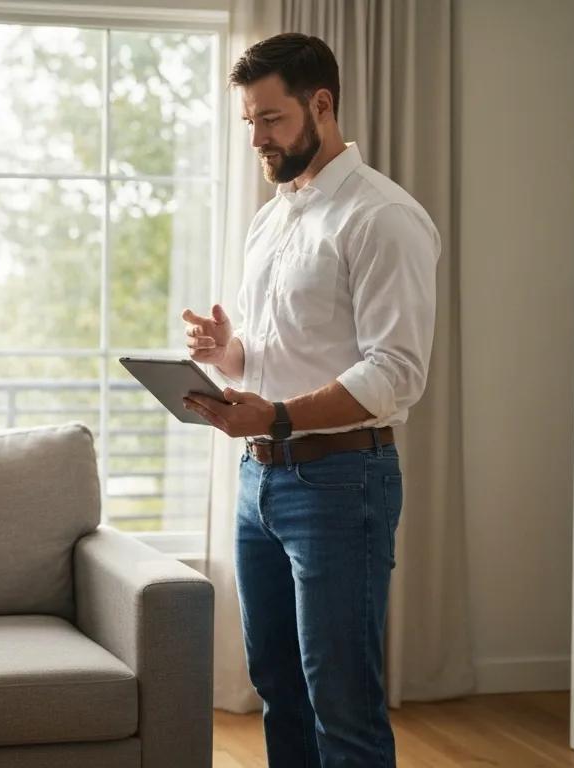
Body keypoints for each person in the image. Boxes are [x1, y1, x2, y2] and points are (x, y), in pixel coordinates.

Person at [180, 33, 439, 768]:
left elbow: (396, 372)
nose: (257, 138)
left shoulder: (382, 217)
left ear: (321, 106)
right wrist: (225, 351)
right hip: (260, 480)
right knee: (276, 685)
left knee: (342, 699)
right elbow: (275, 354)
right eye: (249, 123)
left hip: (340, 482)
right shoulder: (276, 216)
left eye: (271, 119)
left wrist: (282, 416)